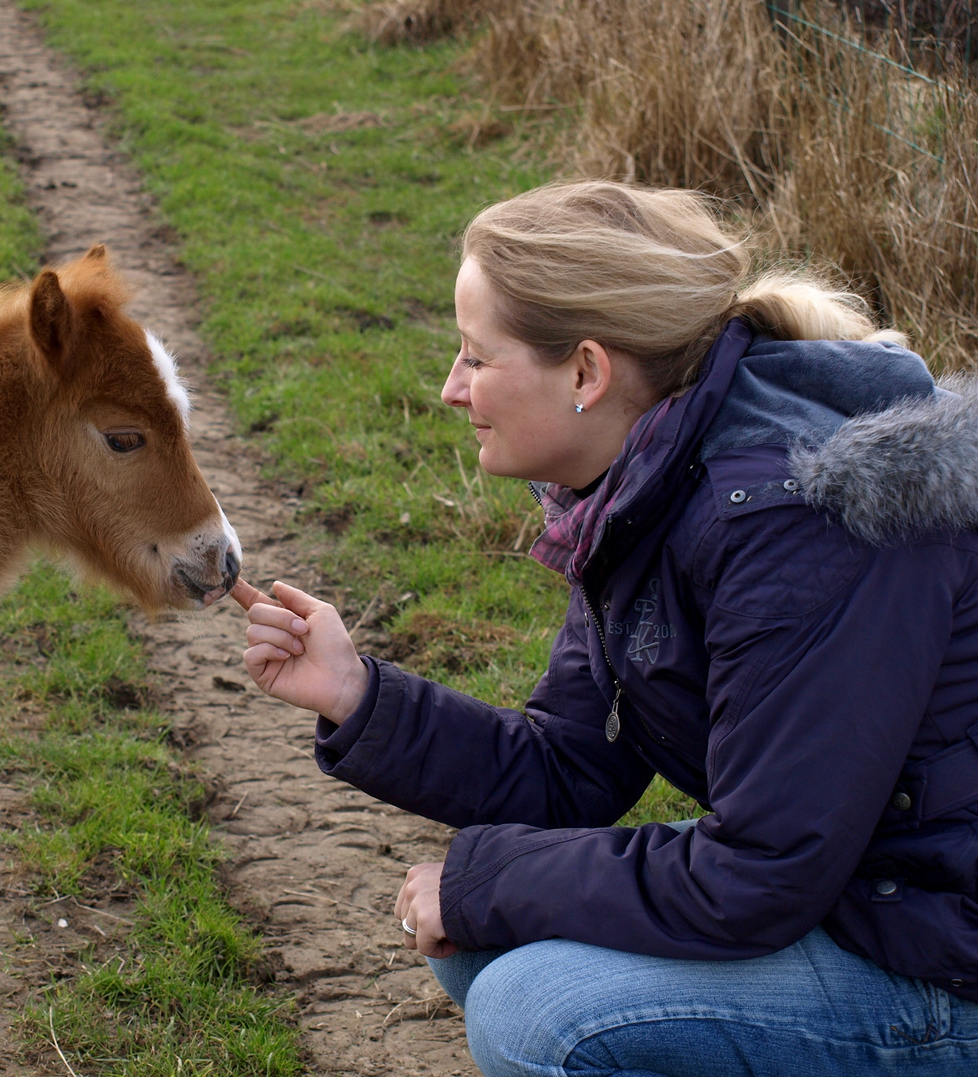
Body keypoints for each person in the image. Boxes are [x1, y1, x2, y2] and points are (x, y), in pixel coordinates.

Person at [230, 179, 978, 1076]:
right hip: (868, 901)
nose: (449, 388)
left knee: (538, 1013)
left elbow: (763, 871)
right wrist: (356, 695)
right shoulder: (641, 487)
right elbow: (572, 765)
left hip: (942, 955)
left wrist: (487, 881)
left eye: (476, 358)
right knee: (487, 953)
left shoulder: (790, 525)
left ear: (587, 371)